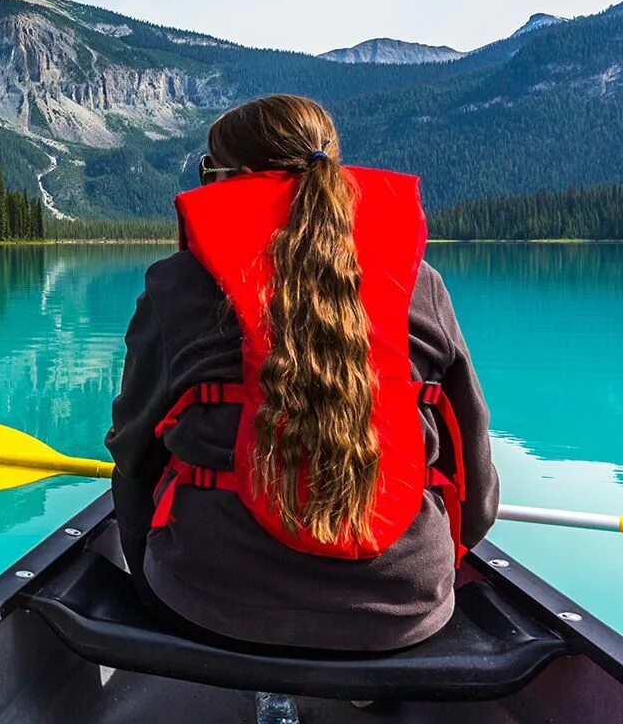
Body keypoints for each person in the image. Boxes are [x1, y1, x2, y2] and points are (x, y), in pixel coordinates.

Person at [106, 93, 498, 652]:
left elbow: (134, 451)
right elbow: (474, 479)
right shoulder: (421, 285)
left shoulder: (177, 285)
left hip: (210, 604)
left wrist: (150, 561)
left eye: (208, 171)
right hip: (404, 611)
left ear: (234, 179)